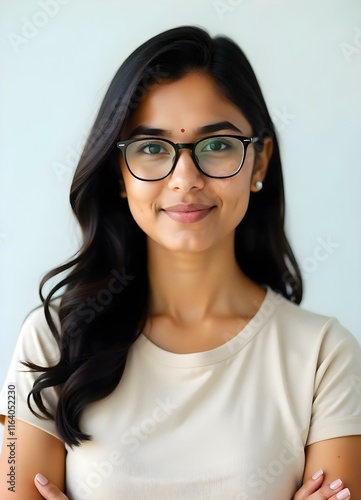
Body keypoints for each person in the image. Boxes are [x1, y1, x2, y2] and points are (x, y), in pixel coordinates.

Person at [0, 25, 360, 500]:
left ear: (260, 163)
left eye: (216, 146)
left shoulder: (325, 355)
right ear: (119, 172)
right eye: (152, 148)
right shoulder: (48, 339)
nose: (185, 179)